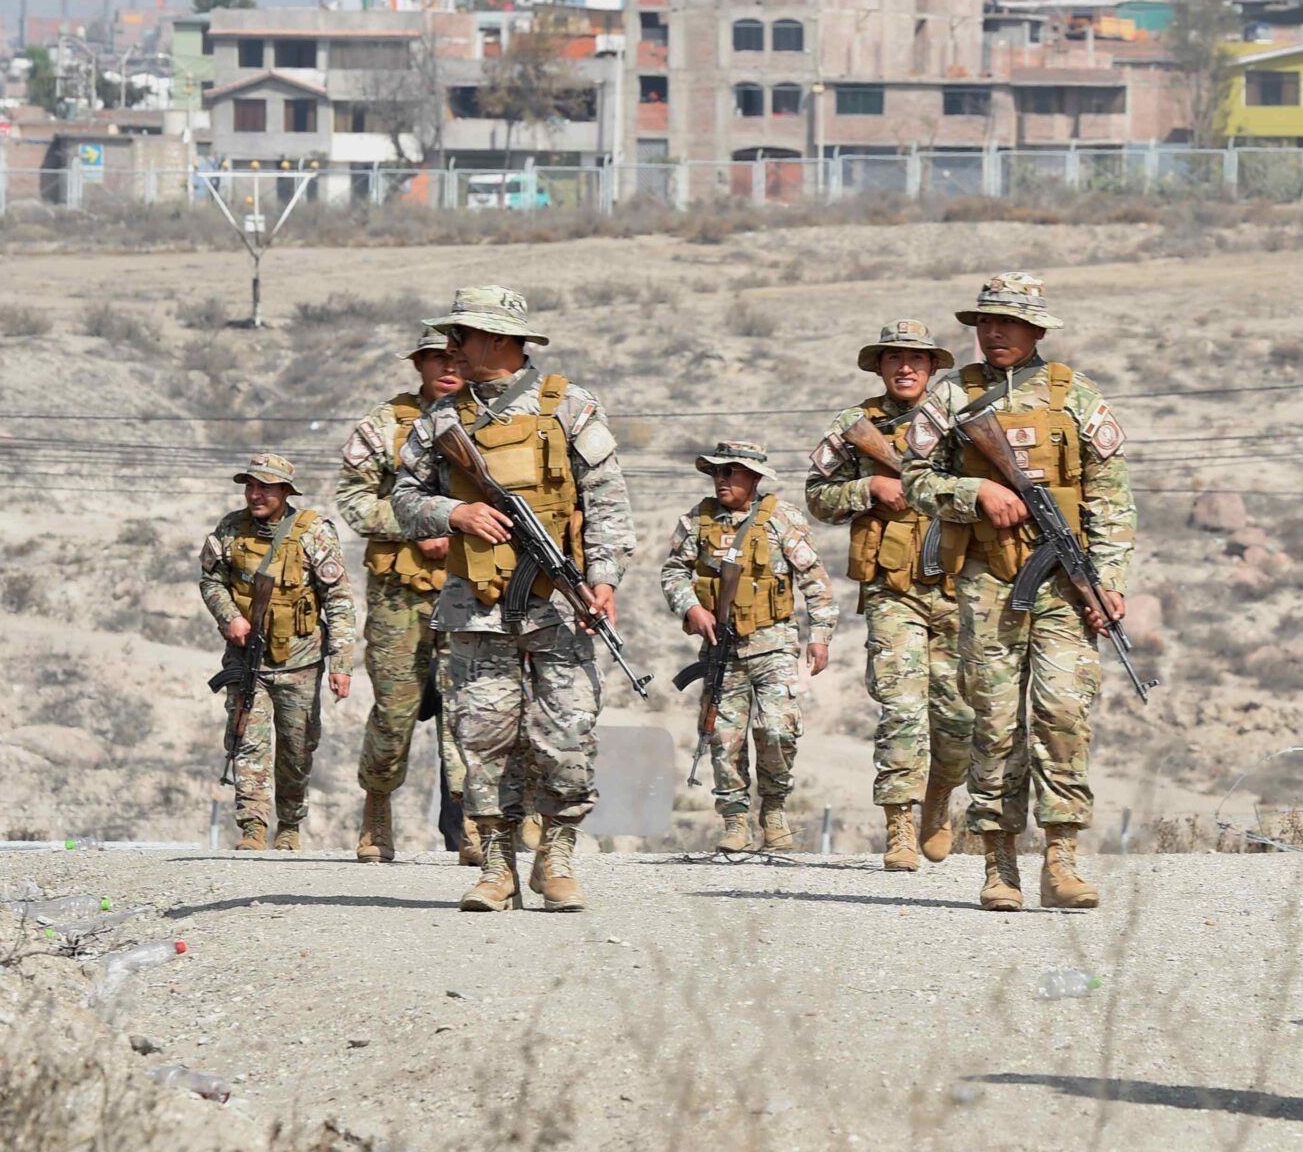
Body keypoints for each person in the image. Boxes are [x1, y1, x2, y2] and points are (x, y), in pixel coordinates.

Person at [388, 286, 636, 913]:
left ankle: (555, 857)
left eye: (460, 338)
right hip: (477, 604)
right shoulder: (441, 422)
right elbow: (403, 500)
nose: (450, 351)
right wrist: (457, 511)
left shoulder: (570, 407)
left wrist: (602, 578)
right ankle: (496, 865)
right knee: (484, 734)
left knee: (568, 732)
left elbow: (606, 498)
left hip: (561, 602)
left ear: (497, 341)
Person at [902, 272, 1134, 912]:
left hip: (1066, 582)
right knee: (995, 723)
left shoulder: (1077, 397)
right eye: (984, 322)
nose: (994, 332)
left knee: (1064, 714)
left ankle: (1061, 860)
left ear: (1037, 329)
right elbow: (915, 480)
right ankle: (999, 866)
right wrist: (974, 492)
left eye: (1006, 322)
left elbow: (1110, 498)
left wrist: (1107, 582)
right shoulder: (950, 400)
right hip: (985, 583)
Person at [805, 319, 974, 871]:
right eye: (894, 358)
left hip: (960, 588)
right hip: (892, 590)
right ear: (878, 366)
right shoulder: (855, 426)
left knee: (959, 720)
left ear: (932, 368)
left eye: (917, 360)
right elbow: (817, 497)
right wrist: (868, 488)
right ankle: (899, 827)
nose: (906, 368)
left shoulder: (963, 419)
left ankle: (937, 801)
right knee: (902, 710)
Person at [335, 326, 471, 864]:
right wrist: (420, 523)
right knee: (394, 713)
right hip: (400, 595)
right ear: (417, 365)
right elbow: (352, 500)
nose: (446, 367)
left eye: (454, 357)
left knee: (469, 711)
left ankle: (474, 823)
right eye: (433, 359)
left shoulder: (492, 423)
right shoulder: (385, 425)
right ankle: (376, 813)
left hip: (470, 589)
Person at [660, 443, 837, 853]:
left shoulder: (781, 520)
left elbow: (815, 579)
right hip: (722, 648)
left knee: (777, 729)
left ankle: (773, 809)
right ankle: (735, 821)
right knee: (724, 737)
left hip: (773, 644)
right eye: (717, 473)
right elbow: (673, 573)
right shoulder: (697, 522)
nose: (722, 480)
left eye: (731, 473)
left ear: (754, 479)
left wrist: (820, 635)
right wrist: (692, 609)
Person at [198, 453, 358, 851]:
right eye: (250, 486)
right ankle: (252, 827)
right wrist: (229, 617)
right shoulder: (231, 530)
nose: (255, 494)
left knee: (296, 746)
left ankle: (290, 825)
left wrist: (341, 665)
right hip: (246, 659)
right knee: (247, 739)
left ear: (285, 492)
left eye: (264, 487)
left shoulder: (313, 533)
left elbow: (338, 600)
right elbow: (211, 580)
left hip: (300, 662)